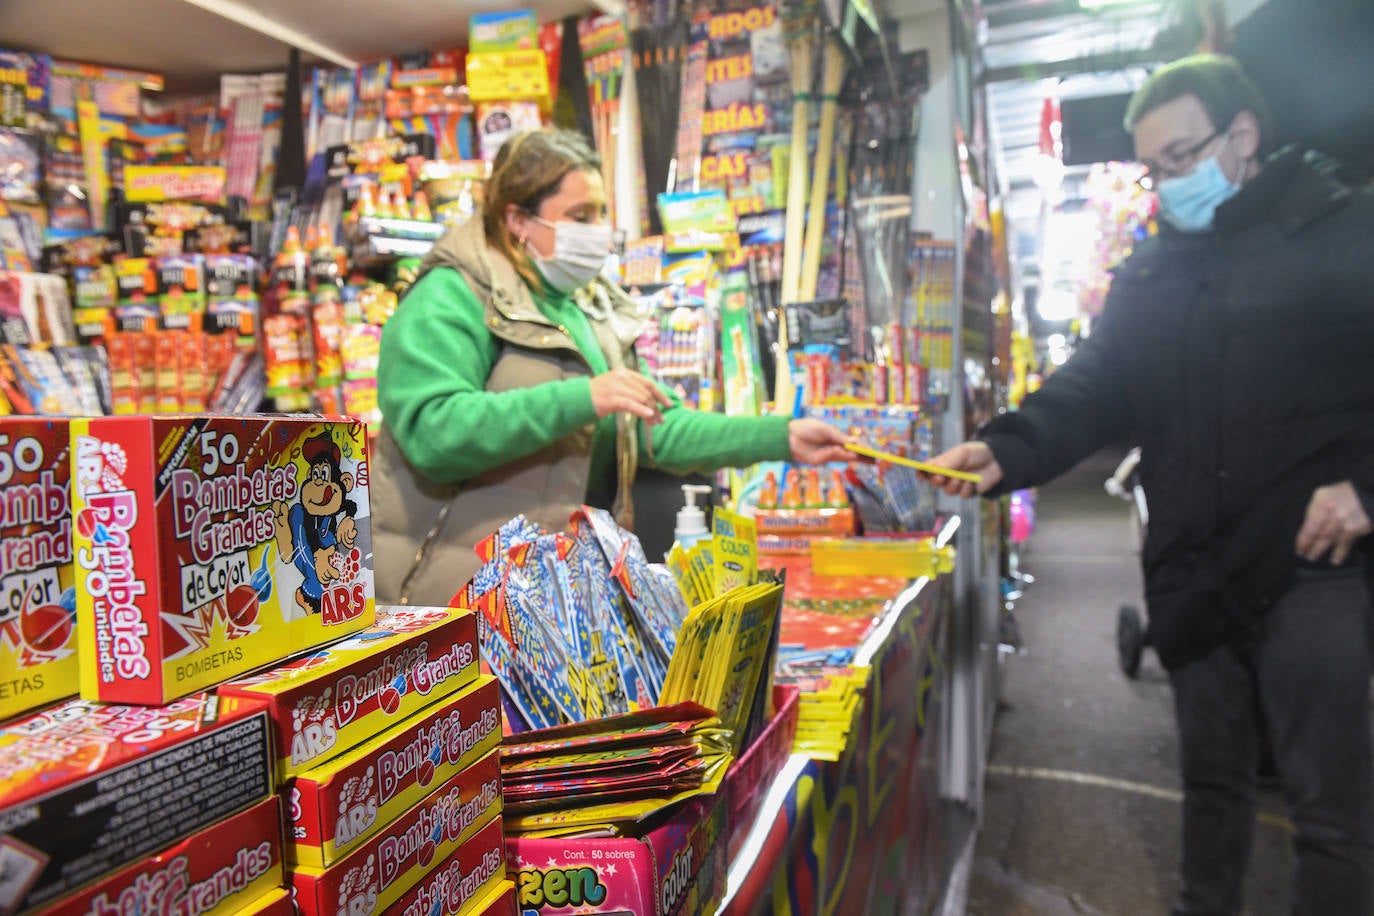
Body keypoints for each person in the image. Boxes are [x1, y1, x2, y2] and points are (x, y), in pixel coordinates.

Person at [925, 55, 1374, 915]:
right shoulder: (1153, 274)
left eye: (1179, 160)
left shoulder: (1342, 228)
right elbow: (1093, 390)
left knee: (1331, 815)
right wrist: (1005, 450)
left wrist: (1365, 487)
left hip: (1312, 576)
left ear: (1241, 137)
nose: (1166, 185)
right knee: (1212, 789)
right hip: (1195, 572)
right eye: (1151, 169)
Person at [373, 128, 851, 605]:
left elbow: (650, 426)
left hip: (539, 597)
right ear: (518, 218)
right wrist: (586, 397)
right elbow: (432, 433)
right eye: (581, 216)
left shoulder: (588, 305)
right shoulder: (451, 294)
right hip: (444, 593)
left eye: (601, 213)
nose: (598, 230)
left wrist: (779, 437)